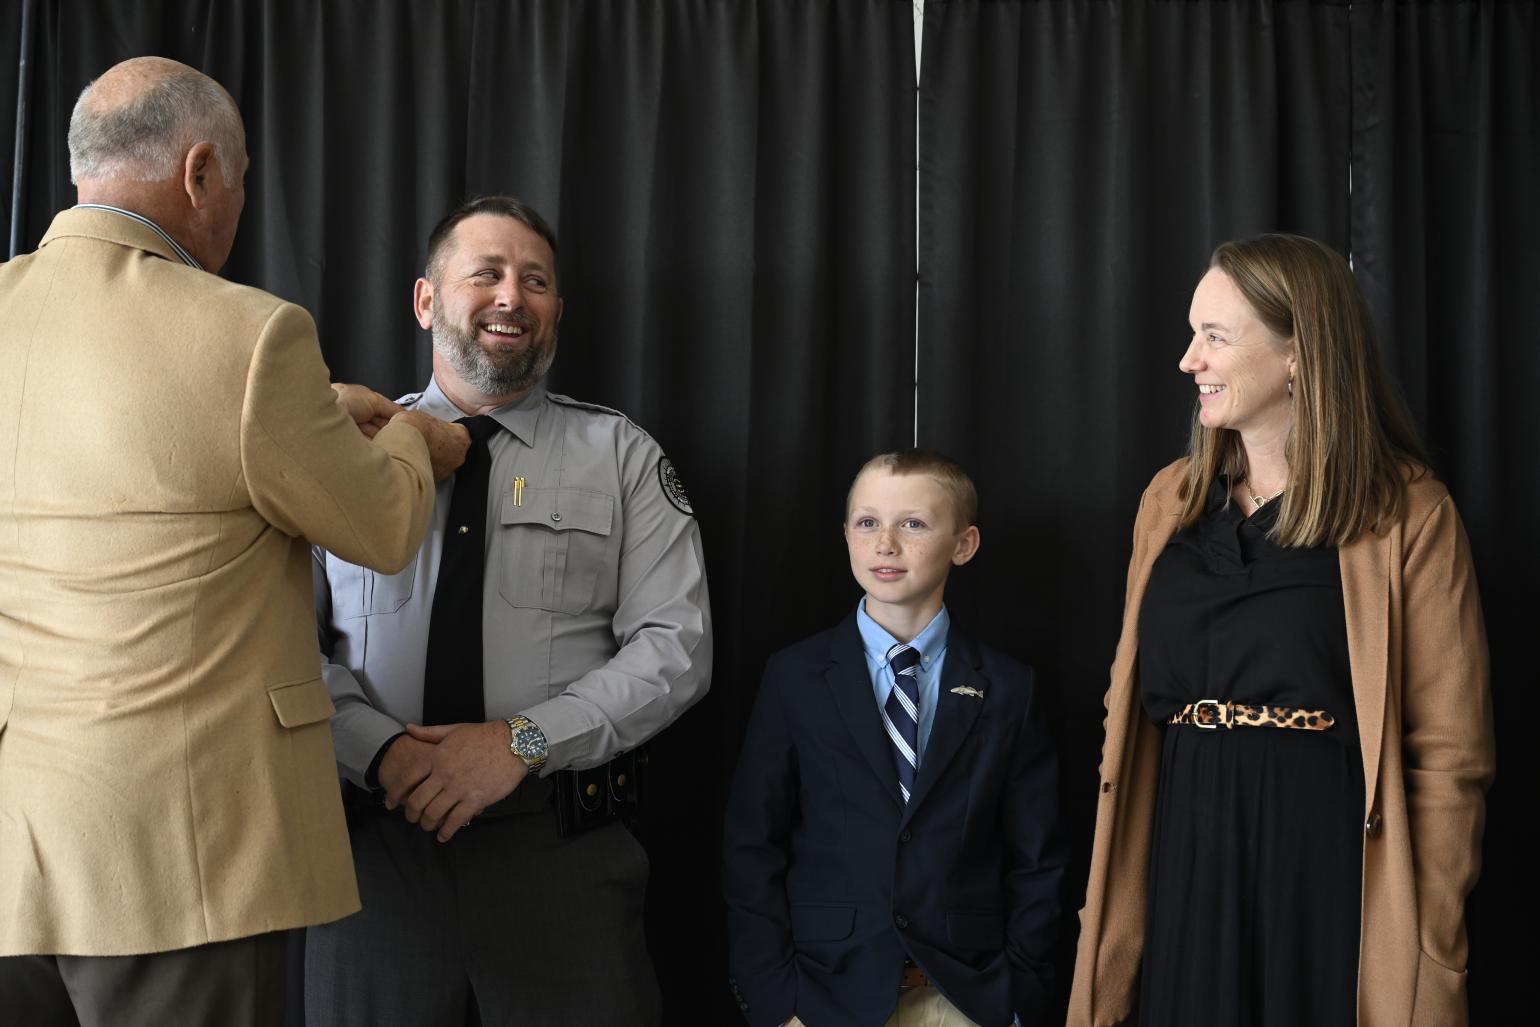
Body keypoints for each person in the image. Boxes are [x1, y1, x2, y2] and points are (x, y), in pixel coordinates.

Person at [0, 57, 463, 1026]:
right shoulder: (250, 336)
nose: (241, 204)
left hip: (19, 855)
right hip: (179, 866)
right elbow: (382, 526)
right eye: (243, 180)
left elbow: (120, 467)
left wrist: (309, 419)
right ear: (200, 172)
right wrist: (417, 439)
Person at [1067, 234, 1494, 1027]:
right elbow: (1122, 710)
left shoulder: (1409, 512)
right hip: (1182, 855)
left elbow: (1449, 759)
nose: (1189, 360)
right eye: (1192, 334)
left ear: (1299, 353)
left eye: (1215, 336)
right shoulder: (1170, 500)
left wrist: (1428, 941)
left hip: (1327, 865)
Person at [305, 195, 713, 1026]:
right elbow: (275, 643)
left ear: (556, 310)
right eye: (485, 273)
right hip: (372, 853)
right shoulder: (335, 453)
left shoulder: (623, 455)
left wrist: (520, 744)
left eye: (534, 280)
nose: (510, 296)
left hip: (558, 855)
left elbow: (677, 646)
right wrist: (382, 753)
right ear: (427, 300)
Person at [722, 450, 1063, 1027]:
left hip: (963, 998)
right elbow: (753, 845)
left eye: (913, 524)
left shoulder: (1008, 686)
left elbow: (1037, 857)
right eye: (867, 522)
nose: (886, 543)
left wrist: (1018, 992)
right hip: (823, 996)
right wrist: (776, 1000)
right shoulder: (795, 675)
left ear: (964, 544)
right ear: (846, 535)